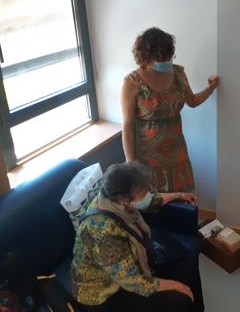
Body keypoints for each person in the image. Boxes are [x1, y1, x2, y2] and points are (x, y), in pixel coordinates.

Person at [71, 162, 202, 312]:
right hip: (104, 293)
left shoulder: (114, 199)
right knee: (179, 299)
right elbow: (133, 282)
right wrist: (177, 286)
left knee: (186, 269)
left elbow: (150, 201)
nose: (147, 196)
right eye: (143, 194)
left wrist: (178, 195)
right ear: (123, 200)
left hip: (129, 265)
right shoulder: (104, 234)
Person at [121, 27, 219, 193]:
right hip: (147, 156)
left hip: (177, 152)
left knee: (182, 202)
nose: (165, 61)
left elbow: (192, 101)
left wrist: (211, 88)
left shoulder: (179, 73)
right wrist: (132, 164)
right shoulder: (132, 82)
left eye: (168, 56)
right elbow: (128, 127)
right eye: (159, 58)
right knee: (154, 204)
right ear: (146, 56)